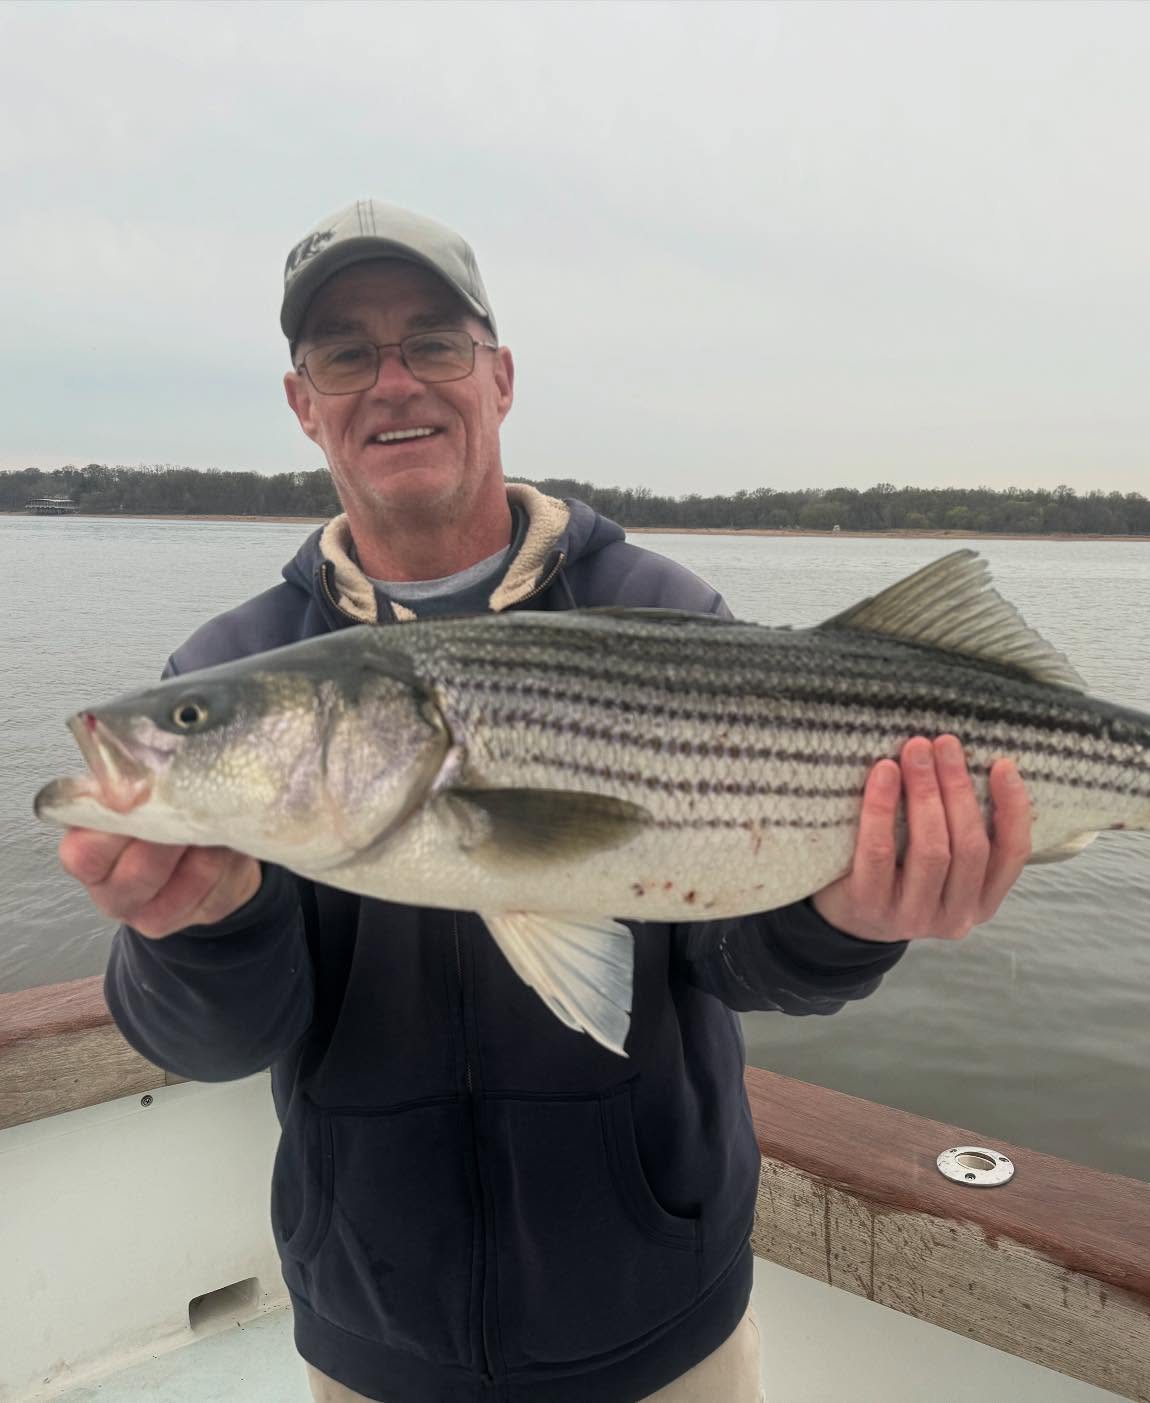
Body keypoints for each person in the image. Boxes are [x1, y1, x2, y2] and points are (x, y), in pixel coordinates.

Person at [57, 200, 1033, 1403]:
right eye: (346, 352)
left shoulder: (661, 606)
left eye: (434, 341)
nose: (393, 379)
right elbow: (214, 1041)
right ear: (303, 402)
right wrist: (199, 928)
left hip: (663, 1324)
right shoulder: (243, 657)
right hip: (374, 1333)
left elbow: (741, 957)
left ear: (500, 376)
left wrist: (851, 922)